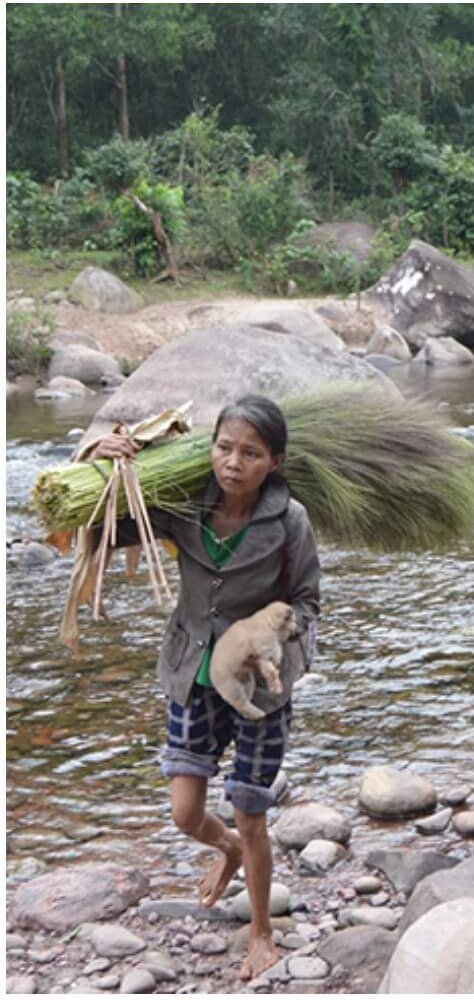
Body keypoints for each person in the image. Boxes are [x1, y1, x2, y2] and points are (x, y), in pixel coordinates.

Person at [89, 395, 321, 984]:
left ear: (275, 461)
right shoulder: (181, 504)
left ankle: (262, 931)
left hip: (257, 691)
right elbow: (95, 527)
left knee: (249, 813)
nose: (233, 463)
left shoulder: (288, 520)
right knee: (186, 813)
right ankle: (229, 854)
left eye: (250, 453)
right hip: (192, 675)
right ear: (209, 449)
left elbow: (308, 604)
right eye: (224, 448)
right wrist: (98, 457)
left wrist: (272, 649)